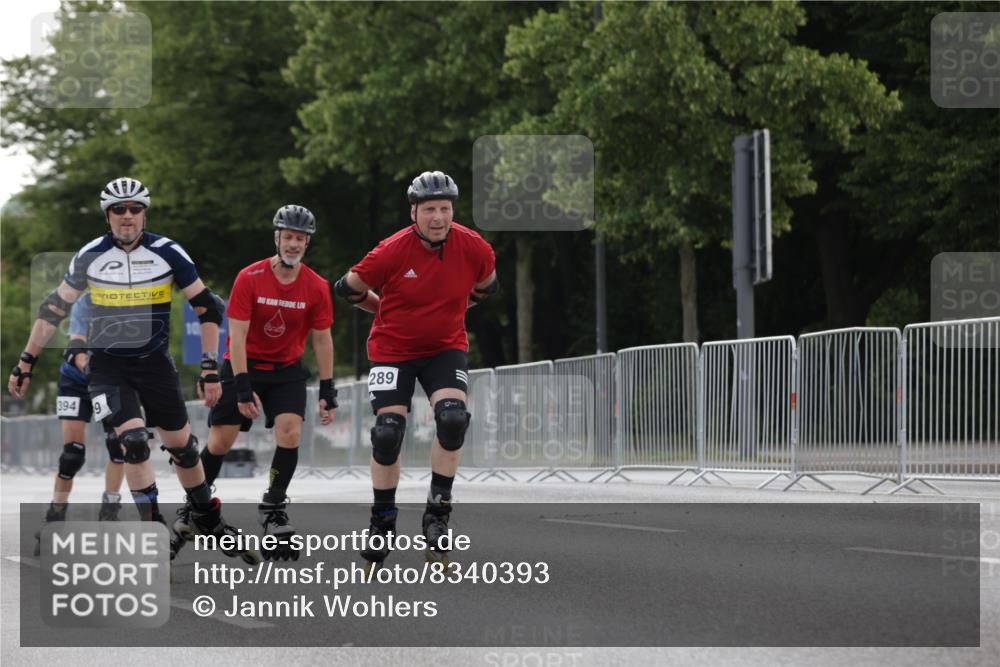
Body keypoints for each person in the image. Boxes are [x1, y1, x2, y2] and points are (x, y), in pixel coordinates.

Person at [8, 176, 257, 563]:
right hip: (107, 367)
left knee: (185, 452)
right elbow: (54, 308)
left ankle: (206, 516)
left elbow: (208, 307)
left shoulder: (168, 252)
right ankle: (154, 533)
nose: (127, 217)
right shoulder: (90, 255)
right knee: (135, 443)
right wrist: (26, 361)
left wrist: (210, 367)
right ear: (107, 216)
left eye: (135, 209)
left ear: (145, 213)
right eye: (118, 210)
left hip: (155, 364)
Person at [334, 170, 498, 570]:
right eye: (429, 210)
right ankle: (382, 519)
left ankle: (437, 515)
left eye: (444, 208)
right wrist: (382, 307)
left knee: (454, 419)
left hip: (445, 348)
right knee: (388, 432)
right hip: (392, 349)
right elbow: (348, 287)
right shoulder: (392, 250)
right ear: (414, 213)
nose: (438, 217)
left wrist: (454, 310)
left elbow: (487, 286)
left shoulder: (474, 247)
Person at [173, 204, 336, 561]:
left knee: (290, 432)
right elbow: (238, 337)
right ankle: (193, 506)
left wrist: (328, 389)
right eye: (289, 237)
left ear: (307, 244)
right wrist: (244, 388)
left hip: (287, 369)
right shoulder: (250, 277)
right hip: (244, 364)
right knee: (221, 440)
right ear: (277, 238)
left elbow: (322, 340)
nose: (294, 244)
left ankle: (273, 507)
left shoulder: (317, 286)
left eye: (301, 239)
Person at [33, 292, 127, 555]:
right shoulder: (87, 302)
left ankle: (109, 511)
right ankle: (55, 515)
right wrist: (90, 368)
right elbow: (76, 347)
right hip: (77, 380)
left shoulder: (133, 302)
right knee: (72, 454)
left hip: (110, 381)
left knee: (117, 445)